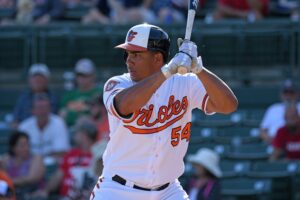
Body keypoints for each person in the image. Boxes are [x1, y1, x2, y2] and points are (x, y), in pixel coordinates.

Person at [90, 23, 238, 200]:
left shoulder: (185, 83)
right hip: (117, 189)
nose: (129, 60)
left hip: (168, 191)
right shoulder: (118, 83)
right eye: (128, 53)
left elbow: (228, 105)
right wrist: (167, 70)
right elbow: (124, 105)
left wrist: (199, 69)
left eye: (136, 54)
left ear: (157, 58)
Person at [32, 122, 106, 199]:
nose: (74, 136)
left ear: (84, 135)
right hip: (63, 196)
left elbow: (98, 179)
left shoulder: (97, 155)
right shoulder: (71, 153)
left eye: (77, 133)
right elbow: (59, 175)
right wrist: (45, 191)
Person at [18, 93, 70, 160]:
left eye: (45, 107)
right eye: (39, 107)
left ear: (50, 109)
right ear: (33, 110)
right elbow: (19, 152)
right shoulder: (24, 126)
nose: (42, 111)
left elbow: (61, 152)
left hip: (54, 163)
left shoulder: (59, 123)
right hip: (29, 164)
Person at [12, 63, 59, 128]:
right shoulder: (23, 98)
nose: (37, 80)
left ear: (47, 79)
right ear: (29, 80)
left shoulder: (53, 98)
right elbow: (15, 120)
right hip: (25, 134)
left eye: (41, 77)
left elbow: (54, 120)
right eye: (34, 77)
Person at [0, 131, 45, 198]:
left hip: (32, 194)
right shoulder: (6, 159)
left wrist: (9, 182)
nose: (26, 148)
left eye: (28, 145)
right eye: (22, 146)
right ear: (13, 147)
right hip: (11, 193)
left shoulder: (36, 158)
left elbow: (31, 179)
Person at [59, 58, 103, 127]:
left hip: (92, 130)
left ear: (93, 75)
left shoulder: (101, 92)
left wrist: (88, 119)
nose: (81, 78)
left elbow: (102, 116)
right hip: (70, 129)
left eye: (85, 75)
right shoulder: (68, 95)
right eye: (79, 75)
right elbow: (62, 116)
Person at [260, 79, 300, 144]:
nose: (288, 95)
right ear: (281, 94)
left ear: (297, 94)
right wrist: (272, 140)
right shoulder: (273, 108)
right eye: (286, 92)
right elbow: (263, 130)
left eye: (291, 92)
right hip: (274, 145)